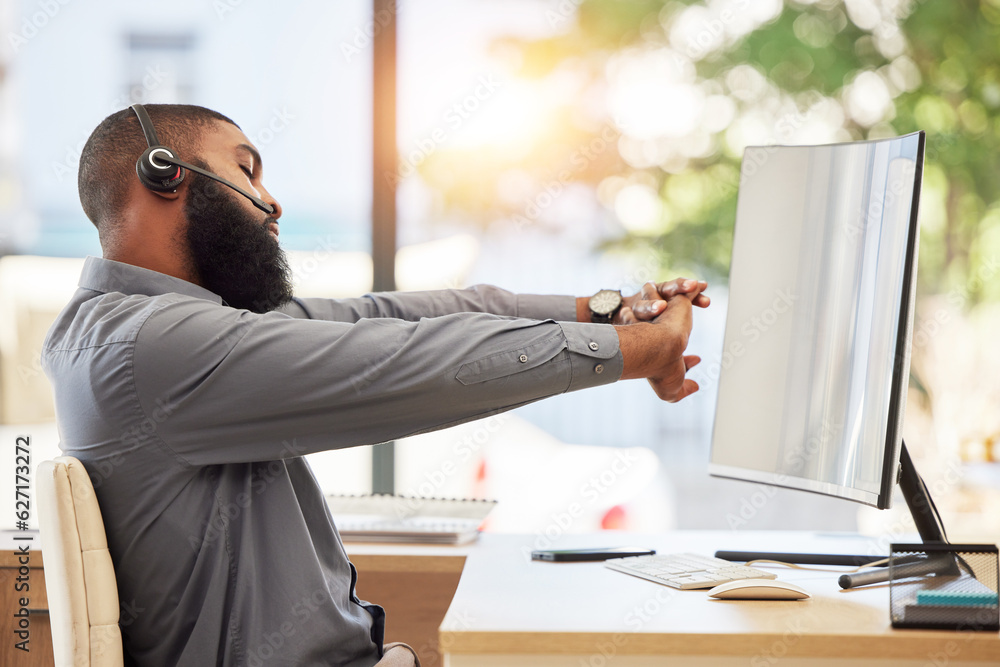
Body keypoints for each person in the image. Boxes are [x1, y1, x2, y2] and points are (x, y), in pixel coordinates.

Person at [42, 104, 709, 666]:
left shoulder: (144, 329)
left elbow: (393, 316)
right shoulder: (156, 346)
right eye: (245, 169)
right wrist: (640, 350)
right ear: (164, 175)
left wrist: (605, 312)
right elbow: (410, 362)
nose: (271, 201)